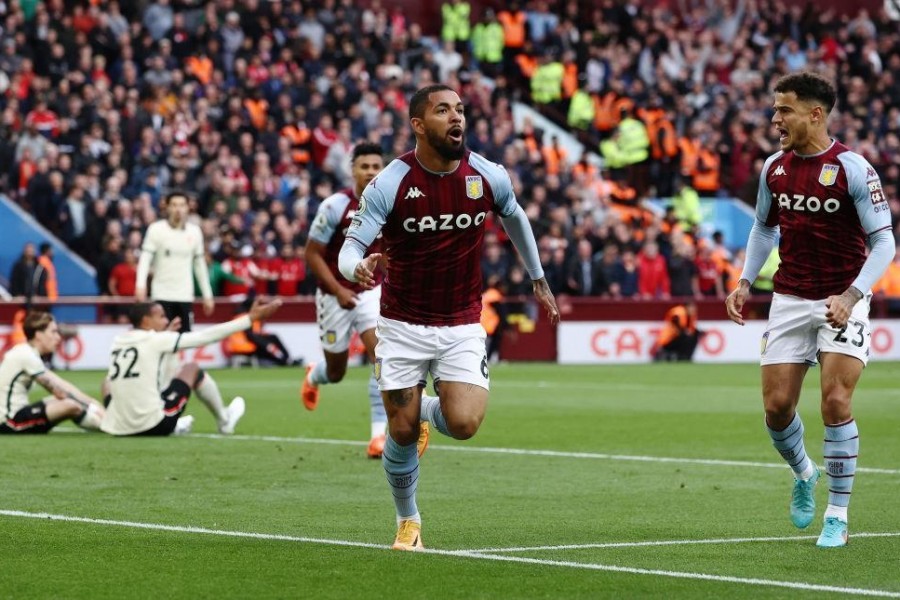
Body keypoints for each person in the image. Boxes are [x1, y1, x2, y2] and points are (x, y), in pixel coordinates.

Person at [338, 84, 560, 550]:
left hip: (461, 322)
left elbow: (514, 216)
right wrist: (356, 266)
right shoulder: (390, 183)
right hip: (400, 323)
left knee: (464, 424)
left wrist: (537, 276)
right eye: (443, 111)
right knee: (399, 429)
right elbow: (351, 247)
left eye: (460, 109)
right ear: (419, 125)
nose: (456, 117)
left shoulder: (487, 175)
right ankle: (409, 522)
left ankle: (422, 413)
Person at [725, 72, 895, 548]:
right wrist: (743, 280)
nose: (775, 118)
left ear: (814, 114)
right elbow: (763, 229)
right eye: (775, 109)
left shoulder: (854, 169)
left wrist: (852, 296)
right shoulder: (773, 168)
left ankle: (837, 515)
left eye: (785, 110)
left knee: (835, 402)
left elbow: (884, 241)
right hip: (790, 297)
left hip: (842, 300)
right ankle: (804, 472)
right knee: (777, 409)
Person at [303, 142, 422, 459]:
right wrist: (339, 290)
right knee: (336, 372)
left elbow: (389, 251)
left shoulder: (388, 204)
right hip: (334, 295)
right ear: (352, 170)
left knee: (379, 356)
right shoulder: (334, 206)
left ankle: (377, 437)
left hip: (371, 291)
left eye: (376, 167)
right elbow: (312, 255)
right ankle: (315, 375)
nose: (371, 172)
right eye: (364, 166)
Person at [100, 297, 282, 437]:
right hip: (153, 426)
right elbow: (206, 336)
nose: (165, 321)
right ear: (146, 321)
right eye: (161, 316)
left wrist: (165, 336)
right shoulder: (156, 340)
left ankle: (127, 418)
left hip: (119, 427)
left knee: (106, 382)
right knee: (192, 369)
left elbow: (152, 369)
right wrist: (248, 319)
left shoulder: (118, 340)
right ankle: (224, 419)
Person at [0, 311, 105, 434]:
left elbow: (61, 383)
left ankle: (107, 423)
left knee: (63, 400)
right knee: (70, 405)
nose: (58, 337)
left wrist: (91, 401)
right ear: (39, 335)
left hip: (16, 414)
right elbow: (60, 392)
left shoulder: (26, 352)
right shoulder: (27, 356)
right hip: (9, 422)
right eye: (53, 332)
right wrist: (92, 407)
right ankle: (106, 426)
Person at [135, 191, 214, 334]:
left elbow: (199, 265)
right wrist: (140, 285)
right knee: (160, 340)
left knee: (183, 341)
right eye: (174, 205)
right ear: (167, 207)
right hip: (161, 294)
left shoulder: (195, 232)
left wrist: (207, 295)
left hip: (185, 295)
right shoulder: (156, 229)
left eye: (182, 205)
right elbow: (145, 259)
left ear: (188, 208)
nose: (178, 209)